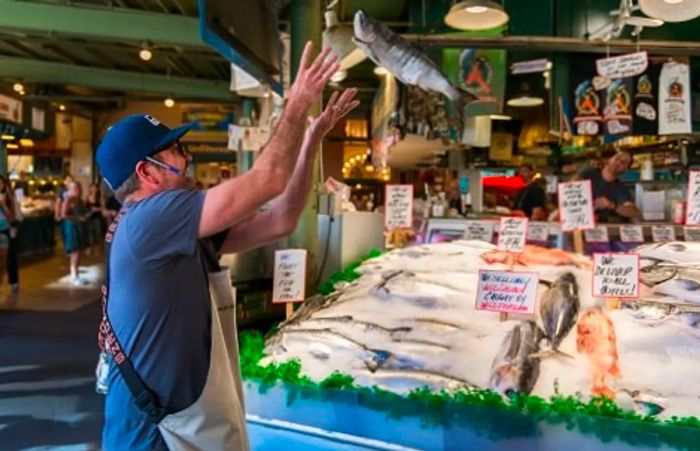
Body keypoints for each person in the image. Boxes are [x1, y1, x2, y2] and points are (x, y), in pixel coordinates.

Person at [96, 42, 358, 450]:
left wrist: (311, 140)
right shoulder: (152, 218)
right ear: (147, 172)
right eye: (176, 151)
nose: (188, 158)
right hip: (154, 438)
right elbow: (267, 181)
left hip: (177, 422)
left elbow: (280, 219)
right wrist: (297, 105)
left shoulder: (169, 229)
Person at [576, 150, 640, 223]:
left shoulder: (619, 187)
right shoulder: (589, 173)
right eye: (617, 158)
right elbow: (569, 188)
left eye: (624, 162)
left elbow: (634, 212)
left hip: (601, 228)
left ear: (625, 170)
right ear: (609, 159)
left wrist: (611, 205)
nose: (619, 162)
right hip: (579, 223)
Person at [61, 181, 89, 285]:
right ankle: (74, 274)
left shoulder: (80, 201)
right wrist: (78, 218)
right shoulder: (68, 200)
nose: (77, 190)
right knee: (75, 251)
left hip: (79, 227)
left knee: (80, 250)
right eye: (74, 188)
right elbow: (63, 215)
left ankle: (76, 273)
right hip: (71, 227)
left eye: (78, 188)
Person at [1, 176, 21, 293]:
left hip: (6, 229)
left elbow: (12, 217)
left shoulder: (8, 197)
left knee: (9, 257)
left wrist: (3, 205)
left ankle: (13, 281)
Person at [85, 182, 104, 255]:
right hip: (89, 217)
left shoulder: (99, 197)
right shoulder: (87, 196)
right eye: (92, 187)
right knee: (89, 233)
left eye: (95, 187)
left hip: (97, 217)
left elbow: (103, 207)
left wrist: (96, 209)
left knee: (97, 233)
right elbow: (84, 207)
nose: (93, 189)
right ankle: (89, 249)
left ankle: (97, 249)